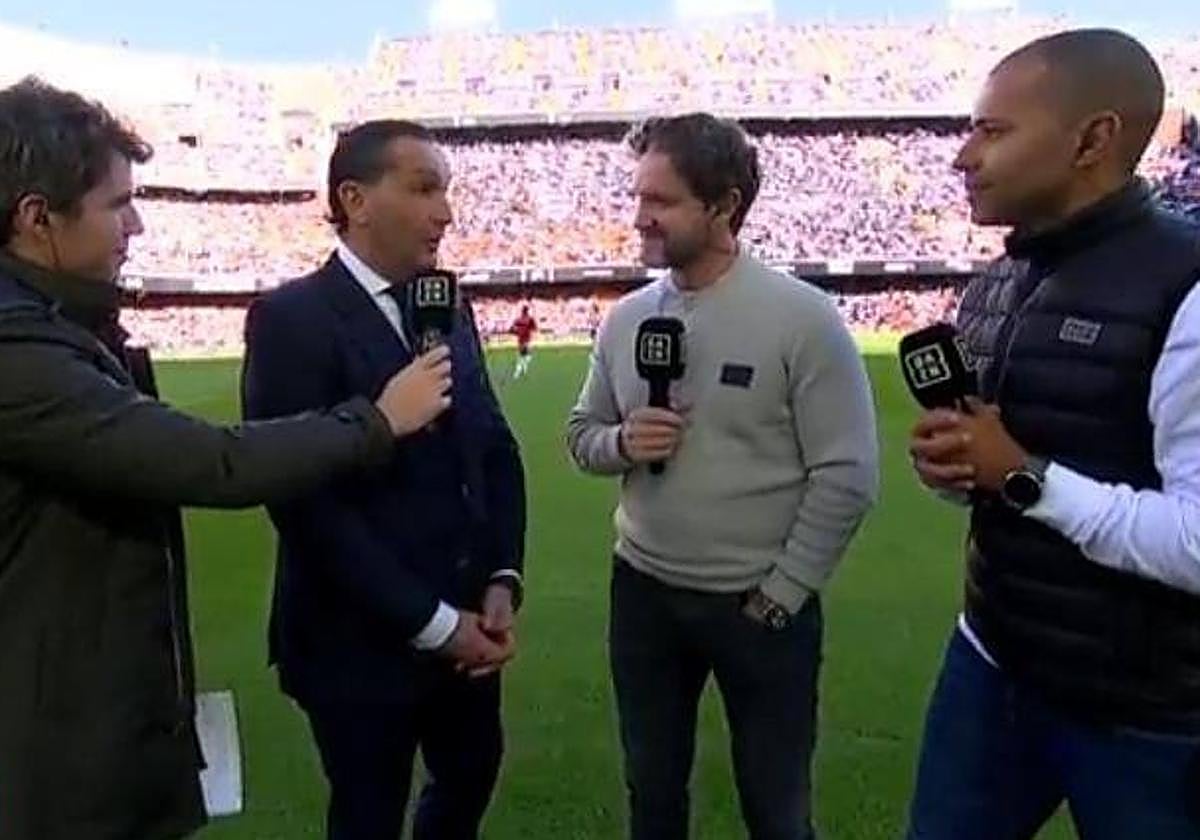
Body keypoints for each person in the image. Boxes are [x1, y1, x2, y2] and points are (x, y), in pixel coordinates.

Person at [0, 79, 451, 840]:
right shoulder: (17, 354)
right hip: (51, 754)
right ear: (38, 218)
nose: (137, 224)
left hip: (84, 723)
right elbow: (212, 462)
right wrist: (375, 421)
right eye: (118, 204)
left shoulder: (56, 327)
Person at [905, 29, 1200, 839]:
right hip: (991, 659)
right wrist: (953, 466)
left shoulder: (1188, 286)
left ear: (1093, 139)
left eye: (993, 131)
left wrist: (1024, 475)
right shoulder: (996, 283)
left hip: (1150, 714)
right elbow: (998, 466)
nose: (964, 156)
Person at [566, 113, 879, 840]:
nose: (639, 218)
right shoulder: (627, 320)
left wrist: (782, 595)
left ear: (724, 205)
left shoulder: (802, 317)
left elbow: (848, 473)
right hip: (642, 593)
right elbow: (581, 437)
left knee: (776, 809)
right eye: (637, 197)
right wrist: (622, 440)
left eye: (661, 201)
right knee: (652, 794)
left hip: (759, 605)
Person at [242, 119, 526, 840]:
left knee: (470, 776)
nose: (447, 213)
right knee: (367, 815)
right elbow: (305, 507)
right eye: (425, 188)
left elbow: (490, 447)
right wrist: (432, 625)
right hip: (357, 646)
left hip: (468, 626)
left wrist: (500, 575)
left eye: (448, 191)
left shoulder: (448, 304)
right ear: (355, 199)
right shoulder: (291, 318)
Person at [510, 303, 537, 379]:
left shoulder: (518, 319)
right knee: (526, 356)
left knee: (521, 356)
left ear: (522, 311)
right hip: (527, 340)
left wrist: (517, 332)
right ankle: (522, 370)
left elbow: (511, 329)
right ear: (527, 311)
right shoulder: (530, 319)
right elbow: (535, 328)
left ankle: (519, 371)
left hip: (521, 340)